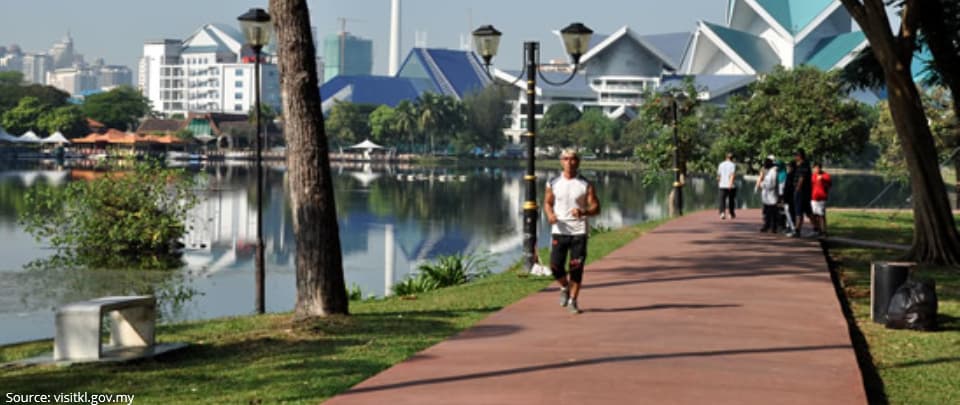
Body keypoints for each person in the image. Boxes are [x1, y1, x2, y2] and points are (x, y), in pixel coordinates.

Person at [544, 149, 600, 314]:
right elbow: (547, 203)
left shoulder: (585, 184)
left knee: (576, 267)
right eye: (566, 159)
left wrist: (583, 212)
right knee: (555, 266)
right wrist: (550, 215)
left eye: (573, 159)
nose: (569, 162)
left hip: (578, 232)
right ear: (561, 161)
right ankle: (563, 287)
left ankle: (573, 301)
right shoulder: (553, 182)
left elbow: (596, 207)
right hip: (559, 230)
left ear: (578, 162)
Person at [792, 149, 814, 237]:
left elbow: (801, 178)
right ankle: (817, 228)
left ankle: (797, 230)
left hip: (801, 192)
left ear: (800, 156)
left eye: (795, 155)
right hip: (803, 192)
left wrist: (797, 190)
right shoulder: (801, 165)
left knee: (798, 211)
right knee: (808, 211)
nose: (794, 157)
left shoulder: (804, 165)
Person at [755, 155, 779, 232]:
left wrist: (762, 185)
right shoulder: (769, 171)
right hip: (767, 195)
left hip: (771, 195)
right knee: (767, 212)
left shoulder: (773, 172)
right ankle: (767, 225)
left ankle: (773, 227)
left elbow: (771, 184)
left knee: (773, 212)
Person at [811, 162, 832, 237]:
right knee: (813, 215)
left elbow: (829, 186)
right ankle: (817, 230)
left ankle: (824, 232)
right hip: (813, 198)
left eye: (818, 168)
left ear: (820, 168)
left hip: (821, 199)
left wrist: (822, 179)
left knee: (821, 215)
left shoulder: (826, 176)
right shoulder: (812, 176)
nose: (816, 169)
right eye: (815, 168)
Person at [717, 152, 737, 220]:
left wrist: (719, 183)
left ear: (726, 157)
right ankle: (730, 214)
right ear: (732, 158)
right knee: (731, 200)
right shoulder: (733, 165)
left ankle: (722, 213)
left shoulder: (721, 164)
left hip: (722, 185)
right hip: (730, 185)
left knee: (722, 200)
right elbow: (732, 175)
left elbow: (719, 175)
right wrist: (730, 184)